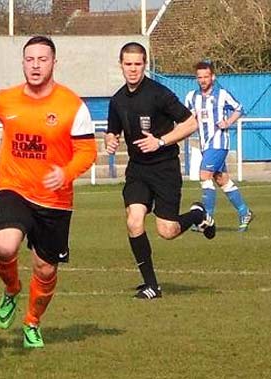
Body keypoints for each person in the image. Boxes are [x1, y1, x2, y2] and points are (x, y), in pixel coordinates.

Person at [0, 36, 97, 348]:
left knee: (45, 269)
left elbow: (87, 151)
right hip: (13, 188)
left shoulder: (72, 105)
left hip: (55, 200)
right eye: (30, 59)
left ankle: (32, 322)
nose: (35, 66)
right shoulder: (3, 99)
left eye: (42, 59)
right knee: (5, 246)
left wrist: (66, 172)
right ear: (23, 63)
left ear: (53, 63)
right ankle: (11, 289)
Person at [105, 42, 214, 300]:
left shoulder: (159, 94)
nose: (133, 69)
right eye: (128, 64)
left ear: (145, 65)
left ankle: (197, 214)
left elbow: (190, 123)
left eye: (138, 64)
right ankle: (152, 285)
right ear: (120, 65)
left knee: (167, 231)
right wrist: (110, 139)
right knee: (134, 221)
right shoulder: (117, 100)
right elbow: (113, 130)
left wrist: (161, 141)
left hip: (165, 169)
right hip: (138, 171)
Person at [185, 61, 253, 232]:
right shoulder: (192, 97)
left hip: (219, 143)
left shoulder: (222, 94)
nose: (203, 80)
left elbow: (239, 108)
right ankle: (245, 212)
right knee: (222, 180)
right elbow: (187, 118)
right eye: (199, 77)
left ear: (213, 77)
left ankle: (206, 219)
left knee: (204, 175)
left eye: (206, 77)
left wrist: (228, 122)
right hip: (204, 145)